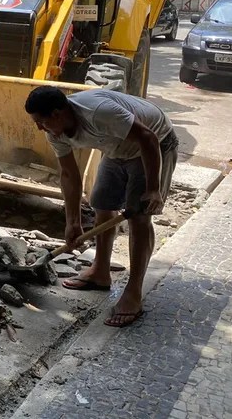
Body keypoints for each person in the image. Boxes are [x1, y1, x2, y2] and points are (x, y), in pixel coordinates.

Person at [25, 86, 178, 328]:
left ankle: (134, 291)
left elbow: (147, 138)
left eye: (40, 121)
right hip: (116, 148)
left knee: (139, 216)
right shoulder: (55, 132)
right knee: (102, 204)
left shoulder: (98, 112)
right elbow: (69, 175)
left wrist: (153, 189)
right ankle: (100, 271)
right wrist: (72, 222)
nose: (39, 128)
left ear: (57, 114)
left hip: (154, 144)